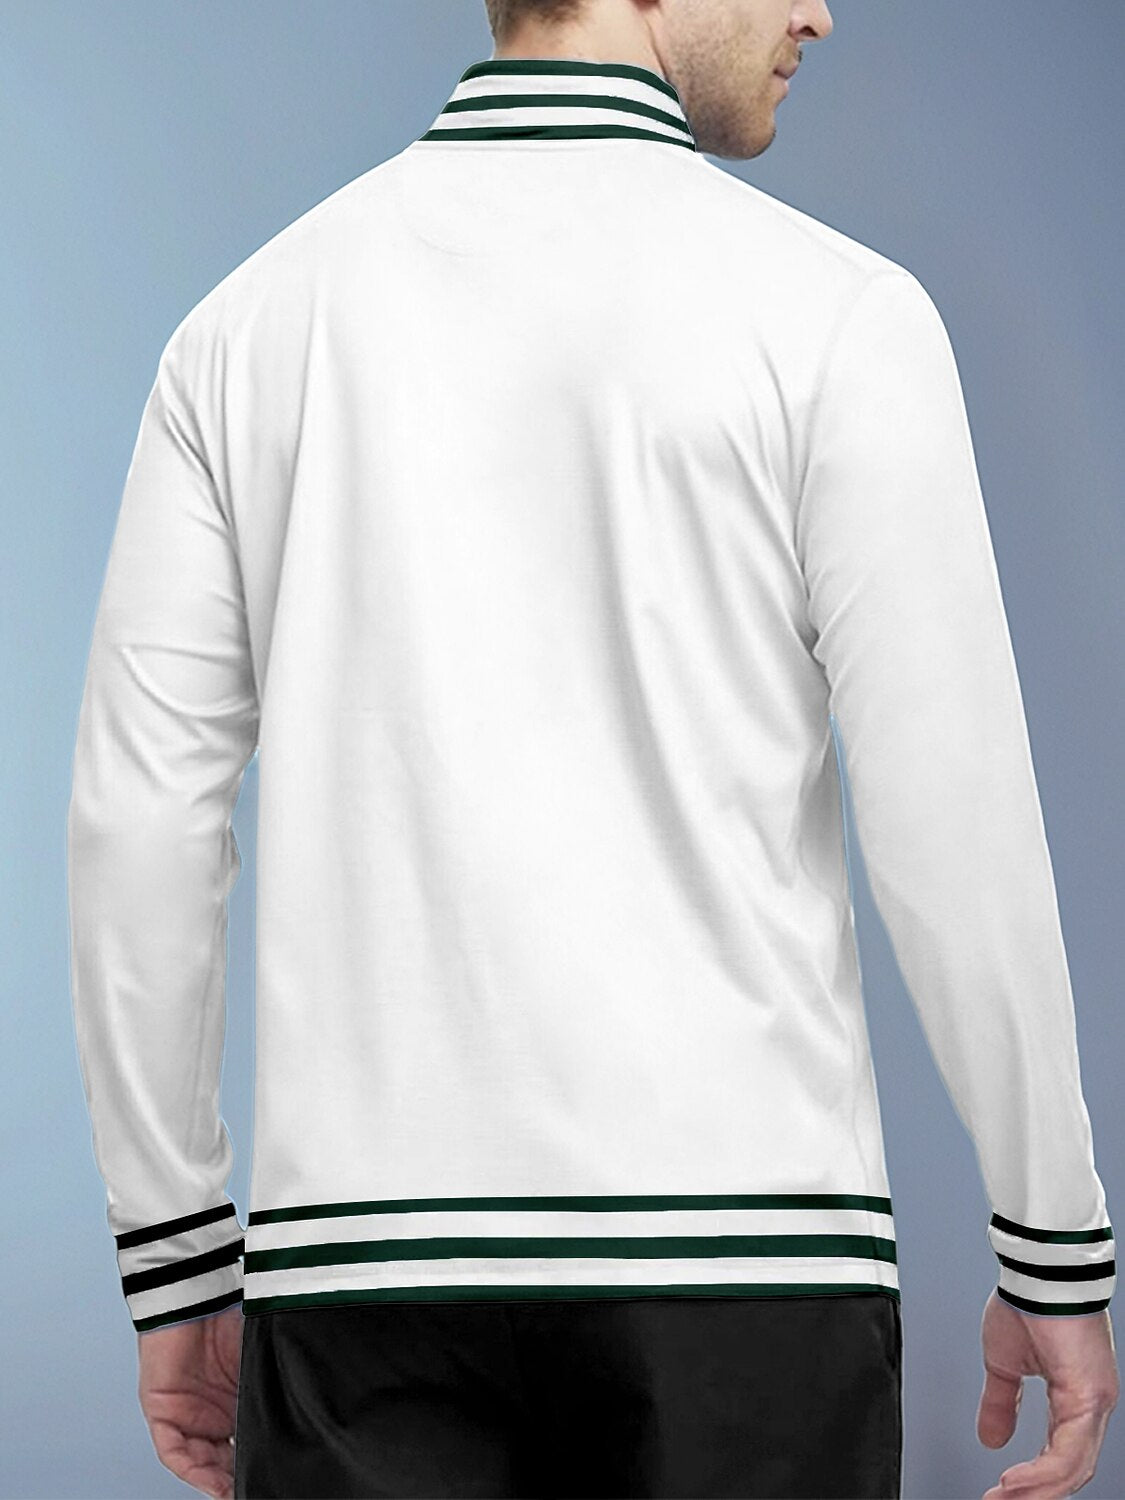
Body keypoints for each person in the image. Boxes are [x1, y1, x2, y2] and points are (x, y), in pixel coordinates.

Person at [65, 0, 1119, 1496]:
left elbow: (140, 826)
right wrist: (1050, 1236)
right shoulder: (840, 317)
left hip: (362, 1279)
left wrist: (174, 1252)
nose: (819, 11)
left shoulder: (243, 334)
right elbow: (953, 818)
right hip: (750, 1276)